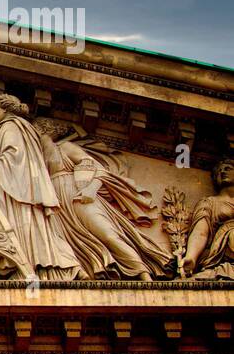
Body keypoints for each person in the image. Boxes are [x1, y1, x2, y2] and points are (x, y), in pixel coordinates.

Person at [33, 117, 171, 280]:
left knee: (107, 233)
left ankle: (144, 275)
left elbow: (99, 170)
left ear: (41, 130)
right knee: (64, 242)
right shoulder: (34, 157)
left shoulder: (65, 147)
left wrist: (91, 190)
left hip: (78, 194)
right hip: (54, 203)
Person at [0, 95, 81, 280]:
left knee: (23, 225)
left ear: (5, 109)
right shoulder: (21, 127)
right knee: (32, 226)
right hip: (20, 187)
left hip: (16, 191)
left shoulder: (10, 126)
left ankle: (34, 265)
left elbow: (12, 154)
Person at [179, 158, 234, 280]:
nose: (223, 172)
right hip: (221, 250)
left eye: (228, 169)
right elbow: (200, 233)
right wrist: (191, 257)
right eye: (219, 171)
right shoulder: (209, 203)